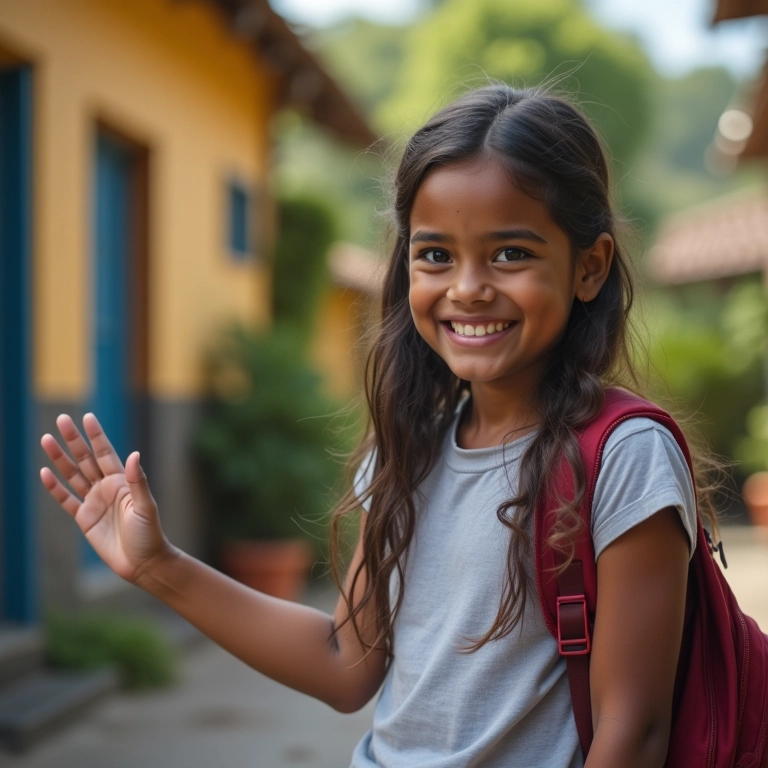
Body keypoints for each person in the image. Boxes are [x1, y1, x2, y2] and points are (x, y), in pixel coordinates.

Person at [40, 84, 708, 767]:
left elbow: (635, 730)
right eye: (435, 254)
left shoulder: (624, 456)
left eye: (511, 253)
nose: (467, 287)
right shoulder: (410, 450)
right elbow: (343, 664)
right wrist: (158, 566)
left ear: (588, 267)